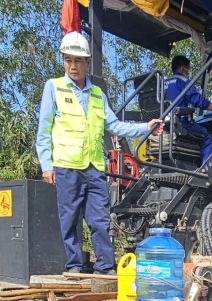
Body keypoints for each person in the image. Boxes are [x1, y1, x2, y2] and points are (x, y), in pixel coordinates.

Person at [36, 32, 164, 275]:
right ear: (63, 61)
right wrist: (47, 165)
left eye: (77, 61)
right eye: (68, 60)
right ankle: (74, 266)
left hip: (94, 167)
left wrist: (145, 128)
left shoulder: (97, 94)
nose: (72, 66)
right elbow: (43, 132)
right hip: (66, 166)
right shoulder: (53, 88)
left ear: (87, 63)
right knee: (70, 220)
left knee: (100, 220)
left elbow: (115, 126)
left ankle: (105, 267)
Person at [163, 54, 212, 167]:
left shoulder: (163, 83)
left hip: (164, 123)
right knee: (206, 137)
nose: (189, 72)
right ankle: (207, 171)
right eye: (189, 69)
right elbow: (198, 102)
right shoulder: (183, 81)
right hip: (179, 122)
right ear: (183, 69)